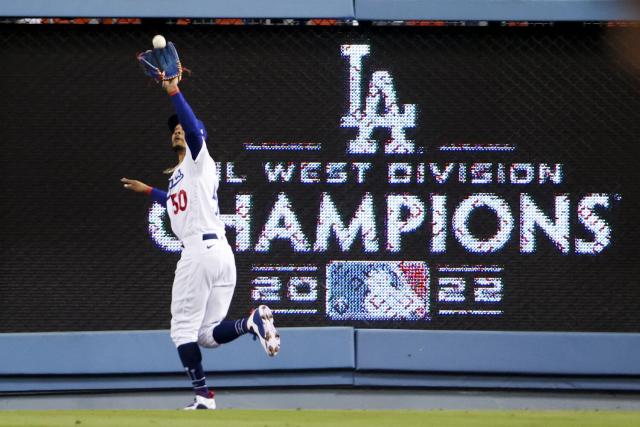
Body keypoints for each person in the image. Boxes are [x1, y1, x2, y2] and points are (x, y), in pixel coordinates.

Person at [121, 77, 280, 410]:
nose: (178, 130)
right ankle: (250, 322)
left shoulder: (199, 158)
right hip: (221, 254)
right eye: (173, 128)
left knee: (181, 331)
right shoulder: (181, 175)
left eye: (183, 127)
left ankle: (203, 396)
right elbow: (176, 201)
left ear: (197, 136)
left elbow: (193, 131)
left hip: (198, 254)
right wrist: (149, 191)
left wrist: (173, 91)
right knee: (207, 335)